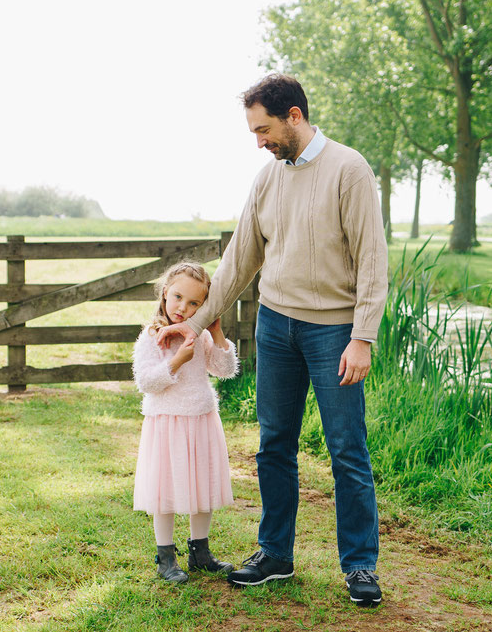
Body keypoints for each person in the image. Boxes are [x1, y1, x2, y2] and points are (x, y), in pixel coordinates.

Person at [156, 74, 388, 607]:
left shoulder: (349, 170)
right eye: (254, 131)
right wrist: (191, 325)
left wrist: (363, 337)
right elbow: (239, 261)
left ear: (295, 116)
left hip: (333, 331)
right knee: (273, 445)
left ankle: (358, 566)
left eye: (263, 129)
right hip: (276, 326)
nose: (259, 141)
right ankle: (275, 555)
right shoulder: (267, 178)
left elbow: (373, 260)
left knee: (346, 448)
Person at [132, 261, 239, 583]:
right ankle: (165, 556)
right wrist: (177, 361)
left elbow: (225, 369)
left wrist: (217, 332)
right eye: (178, 297)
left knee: (202, 487)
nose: (183, 307)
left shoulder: (202, 335)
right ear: (165, 293)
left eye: (195, 303)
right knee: (165, 491)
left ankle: (200, 552)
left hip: (201, 420)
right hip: (166, 423)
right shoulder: (152, 338)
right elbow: (147, 383)